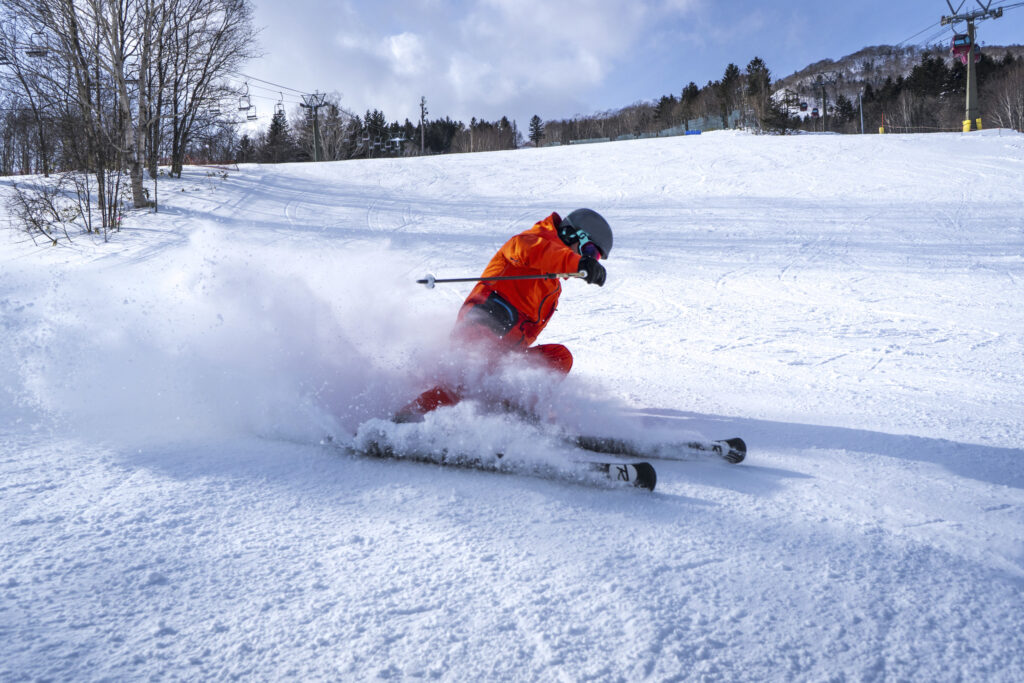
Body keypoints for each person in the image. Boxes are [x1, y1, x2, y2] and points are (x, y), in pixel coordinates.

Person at [396, 208, 613, 422]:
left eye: (595, 258)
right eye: (591, 253)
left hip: (506, 354)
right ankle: (407, 417)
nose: (591, 260)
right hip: (481, 329)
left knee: (559, 357)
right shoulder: (533, 240)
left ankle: (513, 416)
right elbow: (528, 251)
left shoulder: (552, 284)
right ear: (573, 234)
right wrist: (577, 263)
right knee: (471, 383)